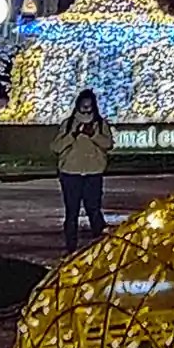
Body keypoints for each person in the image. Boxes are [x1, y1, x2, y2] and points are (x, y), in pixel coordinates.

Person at [56, 89, 115, 246]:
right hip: (71, 174)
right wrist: (72, 135)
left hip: (93, 174)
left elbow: (108, 144)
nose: (86, 109)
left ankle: (101, 246)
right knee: (72, 213)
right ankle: (71, 248)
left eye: (89, 106)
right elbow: (56, 146)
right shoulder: (68, 124)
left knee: (94, 211)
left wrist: (93, 135)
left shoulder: (100, 124)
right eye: (83, 106)